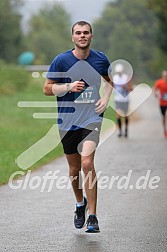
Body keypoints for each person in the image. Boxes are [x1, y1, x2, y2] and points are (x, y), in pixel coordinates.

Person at [43, 21, 113, 233]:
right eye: (78, 33)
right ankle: (79, 204)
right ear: (72, 37)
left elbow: (109, 81)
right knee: (74, 170)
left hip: (92, 118)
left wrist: (106, 98)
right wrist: (68, 87)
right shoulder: (61, 60)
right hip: (68, 121)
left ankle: (92, 216)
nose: (82, 36)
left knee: (87, 163)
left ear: (91, 36)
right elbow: (46, 89)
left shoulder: (100, 59)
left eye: (86, 33)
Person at [113, 63, 133, 137]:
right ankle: (120, 131)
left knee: (125, 116)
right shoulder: (114, 78)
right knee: (118, 115)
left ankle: (126, 130)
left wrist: (124, 87)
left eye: (120, 72)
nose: (119, 73)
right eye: (118, 72)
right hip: (117, 99)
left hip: (125, 100)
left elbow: (131, 89)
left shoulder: (126, 78)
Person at [153, 70, 167, 138]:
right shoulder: (159, 82)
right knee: (164, 117)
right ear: (162, 76)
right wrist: (156, 94)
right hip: (162, 102)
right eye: (165, 76)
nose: (166, 77)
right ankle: (165, 130)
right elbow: (154, 90)